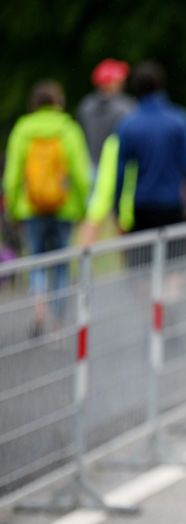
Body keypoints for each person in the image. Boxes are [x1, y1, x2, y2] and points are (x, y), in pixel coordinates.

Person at [3, 80, 91, 334]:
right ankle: (56, 319)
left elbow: (12, 175)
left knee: (37, 260)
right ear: (58, 103)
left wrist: (14, 207)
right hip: (65, 207)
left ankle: (40, 310)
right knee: (61, 264)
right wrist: (82, 205)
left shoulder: (22, 130)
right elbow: (81, 175)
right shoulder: (68, 129)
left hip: (32, 208)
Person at [114, 61, 186, 264]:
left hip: (141, 203)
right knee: (175, 264)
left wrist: (116, 208)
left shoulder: (127, 125)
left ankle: (149, 296)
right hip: (172, 202)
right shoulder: (179, 120)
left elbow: (121, 172)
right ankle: (169, 295)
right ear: (161, 84)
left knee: (142, 265)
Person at [77, 58, 135, 165]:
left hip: (89, 164)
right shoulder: (127, 107)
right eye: (119, 78)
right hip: (117, 165)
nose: (123, 81)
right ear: (109, 83)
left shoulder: (86, 105)